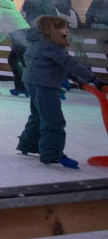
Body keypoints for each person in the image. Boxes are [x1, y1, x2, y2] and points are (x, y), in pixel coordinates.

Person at [17, 16, 103, 168]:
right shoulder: (51, 44)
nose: (66, 30)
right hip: (44, 84)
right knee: (53, 120)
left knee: (38, 115)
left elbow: (59, 64)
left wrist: (79, 80)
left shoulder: (38, 41)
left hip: (32, 81)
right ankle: (52, 153)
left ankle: (29, 144)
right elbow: (71, 64)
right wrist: (94, 80)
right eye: (63, 27)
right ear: (53, 30)